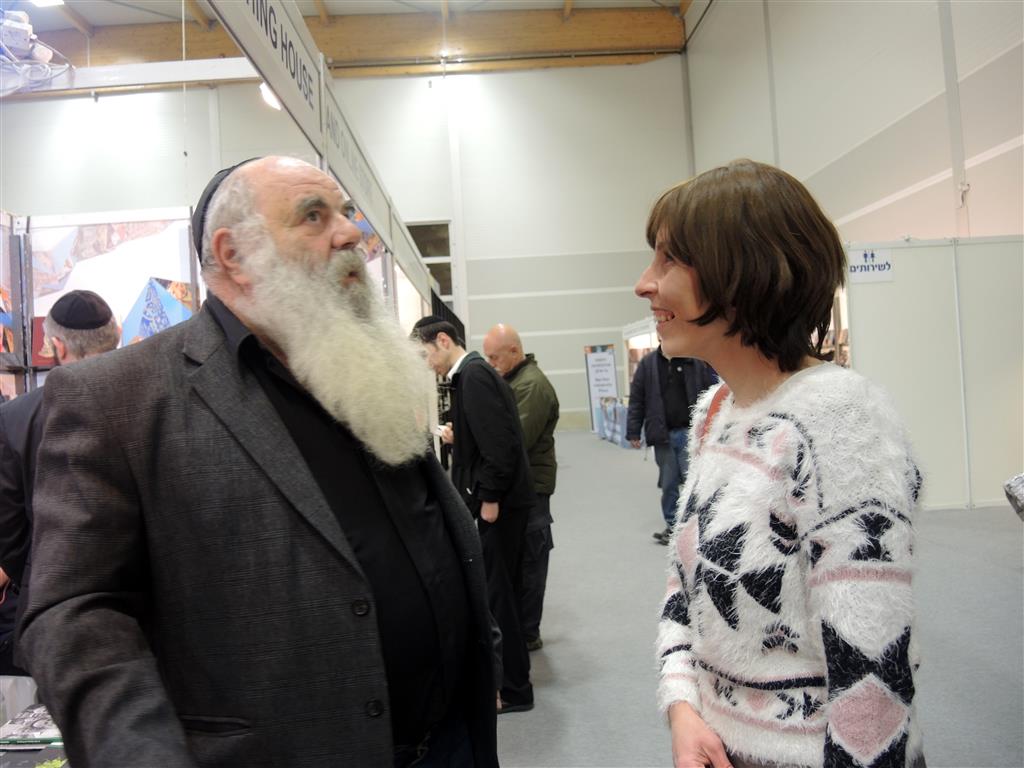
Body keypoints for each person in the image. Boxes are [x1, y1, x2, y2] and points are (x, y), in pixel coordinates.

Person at [20, 157, 498, 768]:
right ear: (234, 254)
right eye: (313, 216)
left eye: (346, 213)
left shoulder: (362, 365)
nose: (350, 233)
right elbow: (73, 612)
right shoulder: (119, 399)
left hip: (452, 743)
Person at [639, 159, 924, 768]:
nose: (645, 283)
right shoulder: (716, 411)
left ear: (741, 271)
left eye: (669, 260)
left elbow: (873, 672)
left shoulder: (841, 420)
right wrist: (682, 706)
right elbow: (685, 591)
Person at [414, 316, 535, 714]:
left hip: (499, 505)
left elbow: (501, 445)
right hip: (500, 500)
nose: (427, 364)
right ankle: (512, 683)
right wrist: (459, 437)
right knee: (502, 595)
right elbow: (489, 437)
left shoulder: (474, 377)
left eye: (425, 354)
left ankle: (515, 689)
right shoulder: (472, 376)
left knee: (500, 598)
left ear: (443, 341)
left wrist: (489, 498)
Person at [0, 290, 120, 683]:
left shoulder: (16, 416)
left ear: (56, 346)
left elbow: (9, 536)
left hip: (51, 606)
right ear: (116, 334)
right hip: (142, 606)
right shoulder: (154, 398)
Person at [482, 324, 559, 652]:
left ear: (514, 351)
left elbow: (517, 439)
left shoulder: (531, 386)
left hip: (532, 489)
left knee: (530, 560)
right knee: (520, 559)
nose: (491, 364)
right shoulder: (516, 381)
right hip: (523, 486)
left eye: (495, 357)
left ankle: (527, 632)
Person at [626, 346, 716, 544]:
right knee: (669, 484)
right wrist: (633, 431)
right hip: (662, 436)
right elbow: (637, 399)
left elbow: (710, 395)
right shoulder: (648, 364)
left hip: (690, 434)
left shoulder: (694, 362)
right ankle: (673, 527)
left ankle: (696, 527)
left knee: (695, 483)